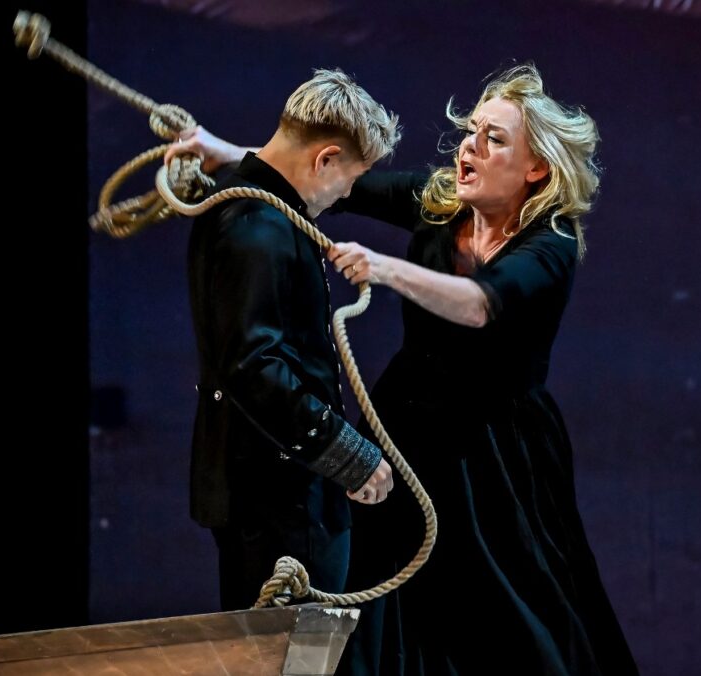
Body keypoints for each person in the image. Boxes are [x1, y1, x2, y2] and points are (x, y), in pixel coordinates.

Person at [172, 63, 637, 674]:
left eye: (494, 138)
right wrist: (228, 152)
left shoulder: (550, 245)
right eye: (471, 131)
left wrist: (385, 268)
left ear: (536, 169)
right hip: (407, 427)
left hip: (492, 450)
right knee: (383, 603)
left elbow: (481, 305)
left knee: (507, 612)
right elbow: (331, 174)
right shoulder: (441, 200)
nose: (469, 147)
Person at [171, 69, 400, 612]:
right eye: (351, 178)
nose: (347, 194)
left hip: (269, 489)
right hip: (279, 499)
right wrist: (348, 455)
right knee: (292, 653)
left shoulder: (249, 209)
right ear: (326, 160)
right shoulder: (259, 228)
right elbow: (254, 366)